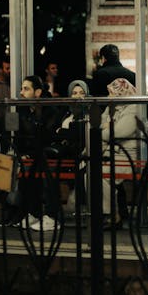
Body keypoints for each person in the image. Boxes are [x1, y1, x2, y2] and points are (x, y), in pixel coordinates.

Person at [3, 75, 61, 231]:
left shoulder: (50, 109)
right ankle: (27, 212)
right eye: (21, 88)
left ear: (38, 92)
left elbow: (45, 137)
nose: (21, 92)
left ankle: (51, 215)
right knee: (11, 168)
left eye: (26, 89)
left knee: (39, 171)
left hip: (47, 154)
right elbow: (15, 136)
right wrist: (16, 152)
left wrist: (27, 154)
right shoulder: (20, 109)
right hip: (30, 154)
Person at [101, 77, 140, 227]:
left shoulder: (133, 109)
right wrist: (106, 128)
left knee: (101, 174)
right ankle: (103, 212)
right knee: (90, 173)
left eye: (111, 93)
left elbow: (118, 132)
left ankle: (111, 215)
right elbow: (99, 124)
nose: (109, 96)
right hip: (113, 153)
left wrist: (106, 128)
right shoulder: (114, 106)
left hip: (129, 156)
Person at [53, 79, 90, 214]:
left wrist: (62, 133)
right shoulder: (66, 112)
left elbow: (78, 133)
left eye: (81, 92)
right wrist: (64, 134)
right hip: (66, 154)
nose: (78, 96)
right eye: (74, 93)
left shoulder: (89, 112)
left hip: (81, 155)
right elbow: (54, 132)